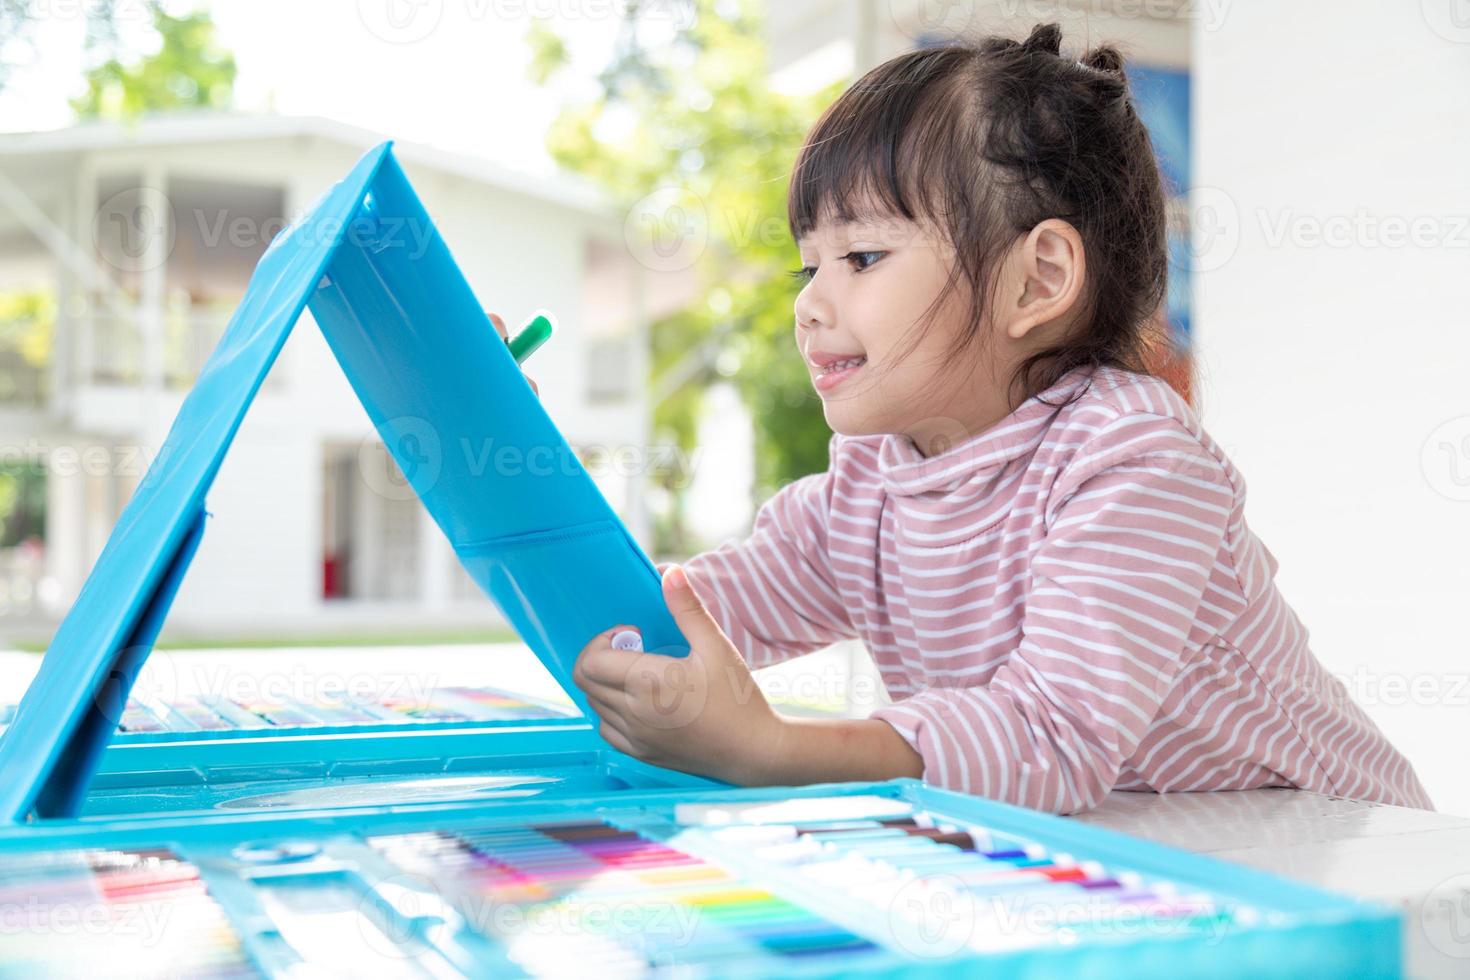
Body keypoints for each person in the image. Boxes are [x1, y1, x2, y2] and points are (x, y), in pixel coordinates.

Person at [553, 23, 1429, 814]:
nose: (812, 305)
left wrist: (771, 748)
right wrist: (488, 423)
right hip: (1153, 854)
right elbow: (665, 623)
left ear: (1038, 280)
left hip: (1341, 856)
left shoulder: (1134, 459)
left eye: (860, 256)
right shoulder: (870, 484)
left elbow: (1052, 737)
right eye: (806, 267)